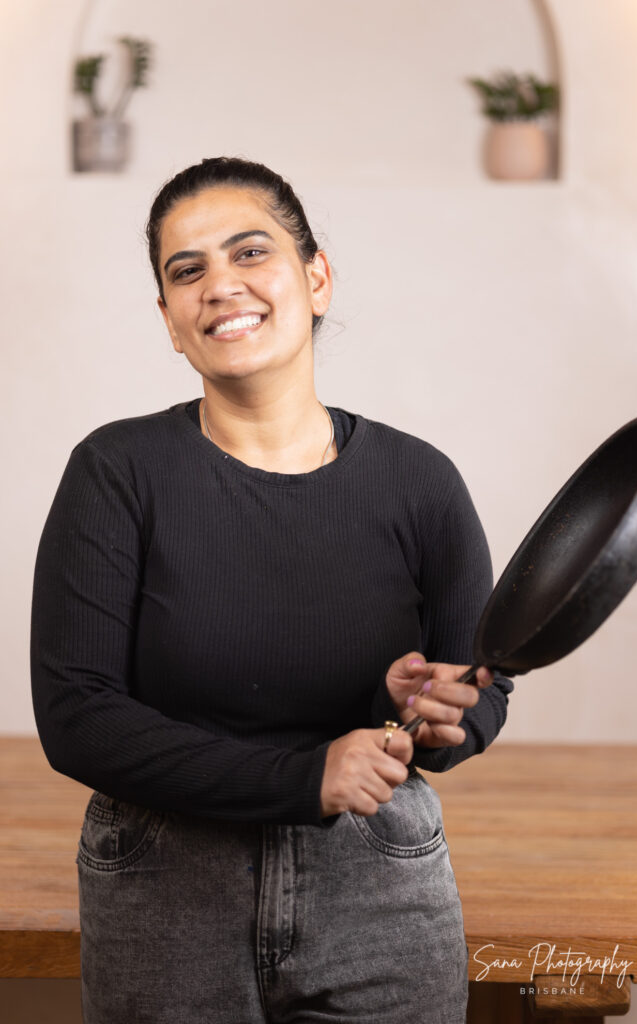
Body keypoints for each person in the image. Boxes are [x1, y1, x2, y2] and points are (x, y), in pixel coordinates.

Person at [31, 156, 513, 1024]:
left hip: (379, 887)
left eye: (249, 253)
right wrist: (303, 776)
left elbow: (475, 694)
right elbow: (77, 717)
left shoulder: (420, 482)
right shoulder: (116, 472)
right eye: (188, 271)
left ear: (315, 277)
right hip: (164, 885)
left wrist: (446, 714)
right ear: (171, 322)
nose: (220, 285)